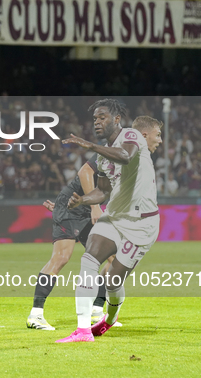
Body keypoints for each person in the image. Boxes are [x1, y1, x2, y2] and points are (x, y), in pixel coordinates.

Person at [56, 101, 162, 343]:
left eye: (102, 117)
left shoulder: (131, 135)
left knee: (113, 281)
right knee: (88, 260)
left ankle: (110, 319)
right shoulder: (102, 158)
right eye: (95, 118)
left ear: (116, 119)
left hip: (142, 225)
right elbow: (103, 191)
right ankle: (83, 330)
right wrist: (83, 199)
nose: (97, 122)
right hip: (114, 217)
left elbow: (125, 156)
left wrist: (88, 144)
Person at [26, 154, 116, 331]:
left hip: (84, 209)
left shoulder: (131, 163)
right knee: (61, 257)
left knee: (114, 259)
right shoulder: (112, 151)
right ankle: (35, 315)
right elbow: (85, 172)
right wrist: (94, 207)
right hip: (74, 207)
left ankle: (96, 312)